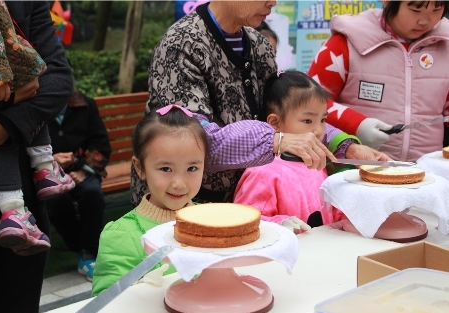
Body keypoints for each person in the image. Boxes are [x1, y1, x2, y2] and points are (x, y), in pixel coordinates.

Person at [132, 0, 387, 206]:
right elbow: (190, 141)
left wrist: (346, 148)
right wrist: (275, 140)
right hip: (181, 202)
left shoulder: (259, 45)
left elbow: (288, 115)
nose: (273, 3)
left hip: (249, 200)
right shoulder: (181, 45)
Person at [0, 1, 74, 313]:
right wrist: (12, 95)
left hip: (17, 204)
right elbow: (31, 84)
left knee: (16, 302)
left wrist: (5, 122)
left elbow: (57, 79)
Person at [234, 70, 391, 230]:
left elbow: (330, 211)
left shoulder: (316, 161)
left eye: (322, 120)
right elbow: (246, 219)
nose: (319, 130)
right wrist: (280, 225)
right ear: (275, 123)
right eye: (308, 120)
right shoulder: (262, 171)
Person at [308, 0, 449, 161]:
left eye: (437, 9)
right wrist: (356, 124)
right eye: (415, 10)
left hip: (427, 174)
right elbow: (308, 102)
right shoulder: (346, 42)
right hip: (356, 169)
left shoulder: (446, 44)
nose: (425, 20)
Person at [92, 105, 209, 296]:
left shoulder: (211, 222)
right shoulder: (123, 235)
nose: (179, 183)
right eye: (165, 169)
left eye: (192, 169)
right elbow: (107, 302)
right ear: (140, 168)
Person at [46, 89, 112, 282]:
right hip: (47, 173)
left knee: (92, 194)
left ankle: (90, 252)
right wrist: (51, 160)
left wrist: (82, 168)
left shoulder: (86, 104)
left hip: (83, 171)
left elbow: (101, 143)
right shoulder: (36, 105)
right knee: (56, 199)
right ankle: (81, 251)